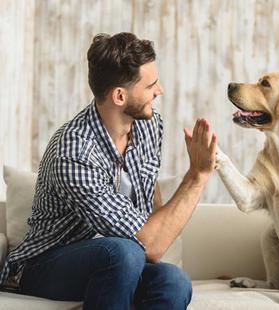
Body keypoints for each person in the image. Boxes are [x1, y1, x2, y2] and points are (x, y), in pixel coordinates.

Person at [0, 32, 217, 309]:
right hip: (46, 265)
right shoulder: (74, 152)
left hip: (122, 259)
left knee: (173, 281)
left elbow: (150, 196)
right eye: (151, 84)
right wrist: (197, 176)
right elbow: (150, 244)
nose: (159, 90)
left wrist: (154, 237)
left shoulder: (149, 125)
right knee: (122, 252)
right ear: (119, 96)